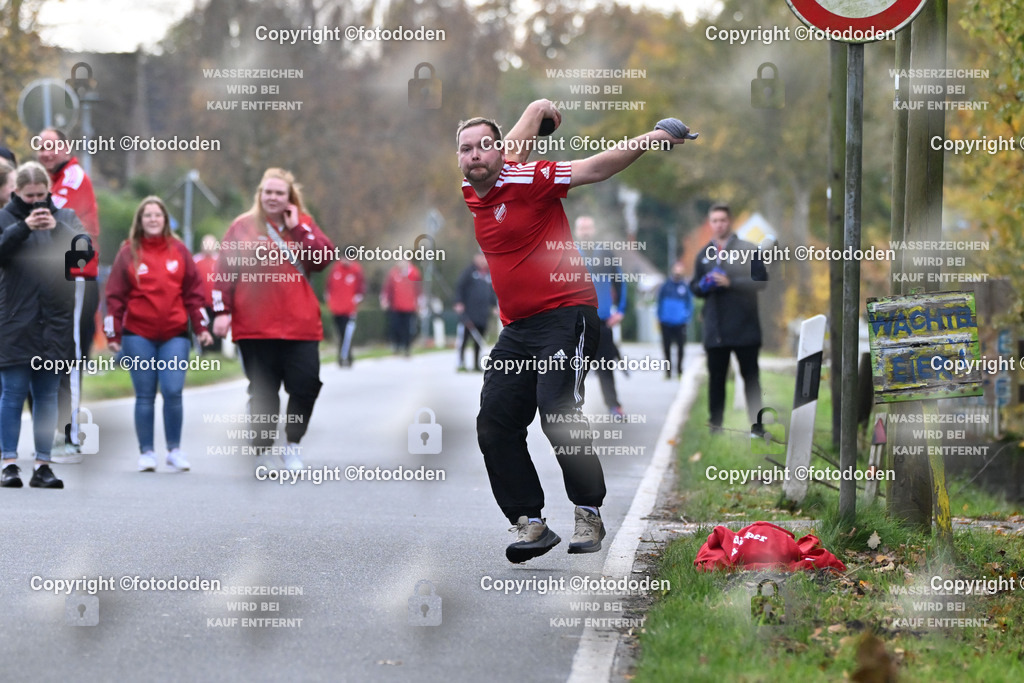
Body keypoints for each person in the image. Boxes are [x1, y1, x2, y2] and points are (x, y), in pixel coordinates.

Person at [457, 100, 694, 562]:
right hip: (518, 329)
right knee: (494, 420)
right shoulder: (475, 190)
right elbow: (512, 143)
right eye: (465, 150)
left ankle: (588, 510)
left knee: (556, 410)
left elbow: (594, 167)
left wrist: (650, 140)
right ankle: (530, 523)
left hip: (567, 314)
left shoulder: (529, 178)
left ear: (500, 152)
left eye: (484, 147)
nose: (475, 155)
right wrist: (536, 107)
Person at [211, 168, 335, 471]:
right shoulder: (242, 227)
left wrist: (297, 230)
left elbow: (322, 259)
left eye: (279, 193)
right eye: (268, 192)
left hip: (300, 326)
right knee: (264, 391)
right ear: (260, 195)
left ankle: (292, 444)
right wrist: (221, 312)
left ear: (290, 198)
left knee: (306, 386)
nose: (273, 197)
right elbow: (223, 272)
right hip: (254, 326)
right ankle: (263, 447)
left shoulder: (303, 225)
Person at [104, 197, 213, 472]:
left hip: (174, 334)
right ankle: (147, 452)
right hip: (137, 334)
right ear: (140, 221)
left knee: (173, 391)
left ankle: (174, 450)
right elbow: (114, 297)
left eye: (157, 215)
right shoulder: (129, 252)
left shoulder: (179, 250)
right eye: (147, 215)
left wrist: (201, 328)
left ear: (165, 220)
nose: (153, 219)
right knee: (144, 395)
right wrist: (113, 333)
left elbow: (194, 293)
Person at [0, 161, 85, 489]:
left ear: (49, 190)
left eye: (41, 195)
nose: (36, 202)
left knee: (47, 396)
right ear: (16, 192)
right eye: (29, 195)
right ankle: (9, 463)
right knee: (12, 394)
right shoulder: (5, 218)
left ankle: (43, 465)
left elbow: (82, 255)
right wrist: (24, 227)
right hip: (14, 322)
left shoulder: (65, 217)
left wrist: (57, 230)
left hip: (54, 323)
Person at [36, 128, 101, 463]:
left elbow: (48, 214)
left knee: (70, 353)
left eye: (52, 146)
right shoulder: (50, 177)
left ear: (66, 148)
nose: (46, 152)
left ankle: (71, 434)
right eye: (41, 147)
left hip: (76, 276)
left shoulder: (73, 176)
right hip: (52, 277)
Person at [689, 203, 767, 432]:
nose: (718, 224)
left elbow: (761, 281)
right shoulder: (704, 255)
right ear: (709, 223)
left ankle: (758, 428)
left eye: (722, 220)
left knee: (751, 380)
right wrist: (701, 286)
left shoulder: (749, 249)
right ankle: (715, 427)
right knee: (716, 381)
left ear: (730, 221)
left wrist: (731, 283)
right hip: (716, 330)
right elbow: (694, 287)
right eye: (714, 220)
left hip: (745, 328)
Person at [574, 216, 627, 417]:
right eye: (582, 228)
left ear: (594, 229)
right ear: (576, 231)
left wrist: (620, 311)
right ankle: (572, 408)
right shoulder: (568, 254)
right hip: (576, 323)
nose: (585, 231)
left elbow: (620, 282)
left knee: (605, 367)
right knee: (574, 369)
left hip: (602, 320)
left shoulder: (605, 252)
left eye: (588, 227)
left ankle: (614, 405)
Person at [453, 252, 496, 372]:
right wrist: (458, 302)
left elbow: (492, 292)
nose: (482, 260)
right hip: (468, 314)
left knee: (479, 341)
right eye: (480, 257)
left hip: (482, 314)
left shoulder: (488, 274)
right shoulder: (468, 272)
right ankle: (461, 363)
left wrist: (494, 306)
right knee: (464, 340)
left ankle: (476, 364)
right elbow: (459, 287)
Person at [325, 251, 364, 367]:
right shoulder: (335, 270)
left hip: (349, 310)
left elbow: (360, 289)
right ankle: (343, 356)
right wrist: (331, 302)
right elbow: (328, 288)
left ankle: (346, 357)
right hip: (337, 309)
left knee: (347, 334)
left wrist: (355, 301)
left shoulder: (356, 270)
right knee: (340, 333)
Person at [657, 261, 694, 379]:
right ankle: (668, 371)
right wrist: (660, 316)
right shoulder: (666, 286)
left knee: (681, 347)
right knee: (666, 347)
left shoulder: (685, 287)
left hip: (680, 323)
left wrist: (686, 317)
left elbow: (689, 304)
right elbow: (659, 302)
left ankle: (679, 370)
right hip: (666, 322)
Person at [381, 261, 421, 356]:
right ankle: (396, 345)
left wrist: (419, 303)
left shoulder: (414, 273)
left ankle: (407, 347)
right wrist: (385, 300)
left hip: (409, 306)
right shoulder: (393, 273)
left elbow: (418, 289)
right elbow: (387, 288)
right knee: (395, 327)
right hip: (396, 306)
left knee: (407, 328)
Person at [192, 234, 223, 353]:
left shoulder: (220, 260)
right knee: (201, 326)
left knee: (217, 327)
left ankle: (219, 352)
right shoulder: (196, 261)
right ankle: (202, 352)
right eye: (206, 243)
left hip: (217, 302)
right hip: (201, 303)